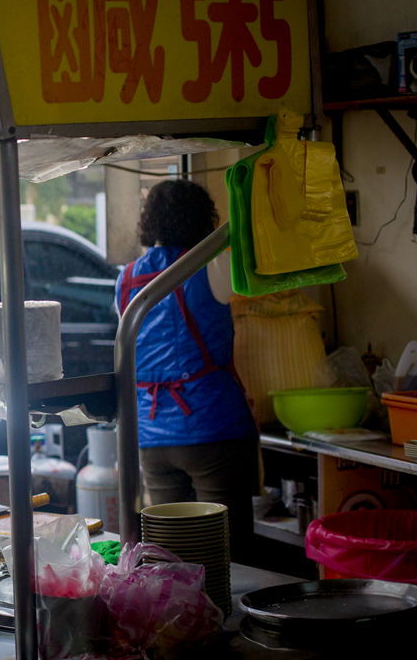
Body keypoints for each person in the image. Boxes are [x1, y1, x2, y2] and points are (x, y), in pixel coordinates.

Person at [115, 179, 258, 558]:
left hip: (151, 437)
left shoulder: (127, 277)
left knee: (170, 555)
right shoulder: (213, 266)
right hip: (213, 429)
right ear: (203, 218)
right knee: (228, 551)